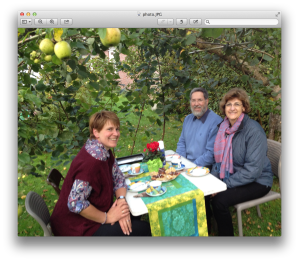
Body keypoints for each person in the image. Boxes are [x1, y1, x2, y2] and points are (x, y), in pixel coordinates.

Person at [50, 111, 151, 237]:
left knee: (131, 213)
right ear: (96, 132)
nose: (116, 133)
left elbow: (118, 176)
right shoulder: (92, 162)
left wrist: (120, 201)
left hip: (92, 215)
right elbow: (75, 203)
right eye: (110, 129)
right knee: (144, 229)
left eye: (117, 129)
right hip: (76, 227)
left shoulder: (103, 151)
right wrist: (107, 217)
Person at [207, 88, 273, 237]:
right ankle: (206, 228)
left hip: (259, 180)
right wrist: (214, 181)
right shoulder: (224, 128)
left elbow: (253, 171)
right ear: (224, 108)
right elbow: (219, 160)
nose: (232, 108)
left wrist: (223, 185)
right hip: (235, 175)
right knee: (205, 191)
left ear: (244, 107)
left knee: (219, 201)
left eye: (237, 104)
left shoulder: (253, 131)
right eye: (228, 104)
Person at [176, 87, 223, 169]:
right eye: (193, 100)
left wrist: (191, 166)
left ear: (206, 101)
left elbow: (211, 154)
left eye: (200, 100)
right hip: (185, 165)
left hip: (204, 168)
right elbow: (181, 143)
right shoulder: (187, 119)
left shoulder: (216, 122)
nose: (196, 103)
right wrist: (181, 162)